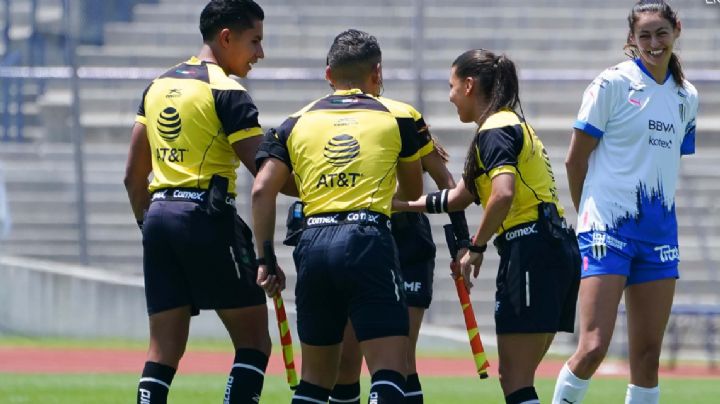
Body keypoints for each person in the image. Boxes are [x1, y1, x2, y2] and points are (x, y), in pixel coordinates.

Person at [252, 29, 431, 404]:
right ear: (377, 72)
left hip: (313, 241)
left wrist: (265, 258)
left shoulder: (294, 121)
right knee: (388, 370)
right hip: (368, 240)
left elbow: (262, 189)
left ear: (328, 74)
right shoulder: (396, 117)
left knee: (316, 381)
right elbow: (413, 193)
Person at [393, 49, 581, 404]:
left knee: (515, 379)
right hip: (554, 248)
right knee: (518, 378)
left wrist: (476, 247)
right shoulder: (509, 124)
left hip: (531, 250)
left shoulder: (494, 130)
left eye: (451, 86)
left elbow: (502, 194)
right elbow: (458, 197)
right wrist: (400, 205)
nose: (449, 96)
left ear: (468, 85)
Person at [123, 1, 273, 403]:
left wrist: (148, 226)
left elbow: (132, 176)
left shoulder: (157, 86)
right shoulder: (226, 91)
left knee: (163, 350)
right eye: (254, 41)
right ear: (226, 37)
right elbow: (264, 172)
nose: (260, 53)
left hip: (158, 219)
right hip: (206, 218)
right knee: (255, 342)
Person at [551, 2, 698, 403]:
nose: (653, 43)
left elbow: (663, 162)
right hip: (606, 228)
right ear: (632, 39)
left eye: (661, 33)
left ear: (676, 30)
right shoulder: (611, 84)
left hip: (658, 235)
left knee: (648, 357)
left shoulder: (687, 96)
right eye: (645, 35)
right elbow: (574, 159)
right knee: (594, 345)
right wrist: (587, 218)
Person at [329, 141, 461, 404]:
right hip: (362, 239)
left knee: (402, 357)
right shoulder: (347, 123)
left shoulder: (405, 122)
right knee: (346, 359)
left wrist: (464, 242)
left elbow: (446, 180)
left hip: (409, 242)